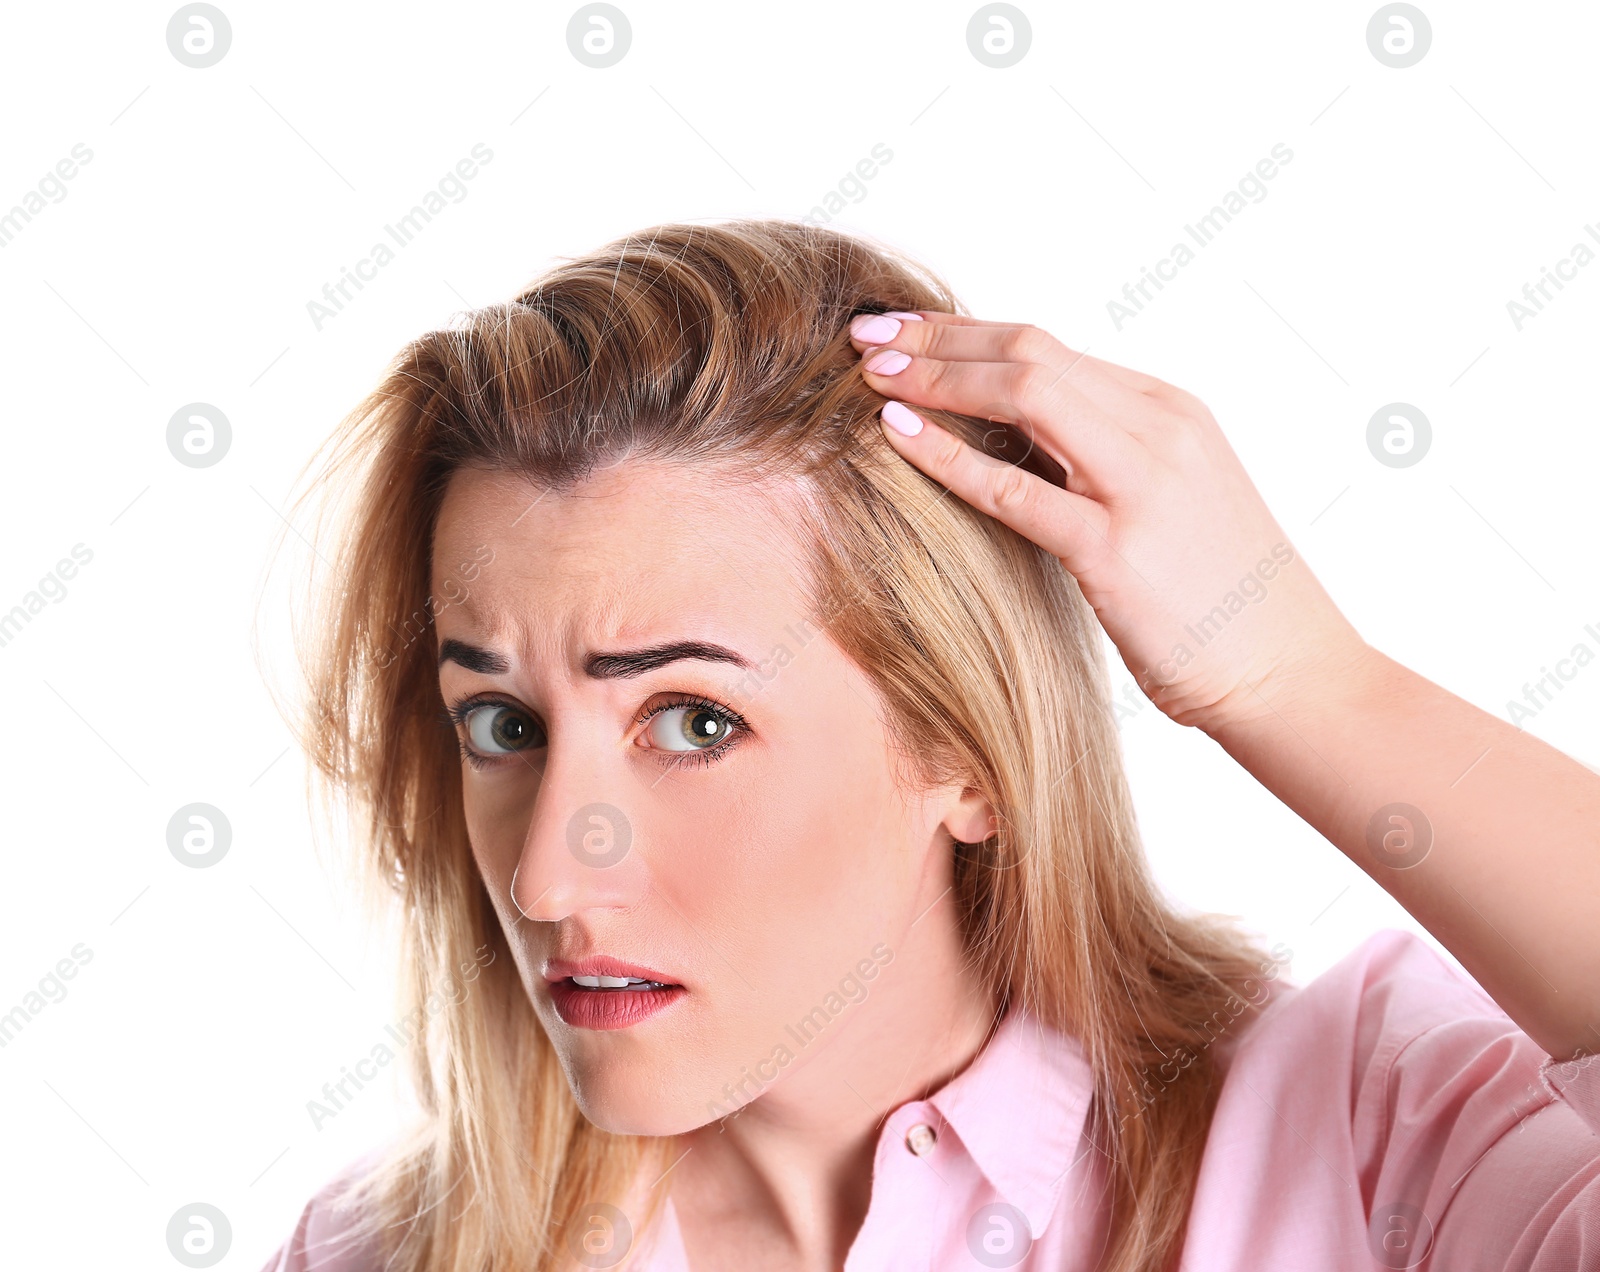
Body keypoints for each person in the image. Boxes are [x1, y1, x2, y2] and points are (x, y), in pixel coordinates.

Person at [259, 219, 1600, 1272]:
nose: (551, 878)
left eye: (692, 721)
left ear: (967, 752)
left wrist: (1311, 685)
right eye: (500, 724)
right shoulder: (382, 1257)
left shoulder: (1365, 1152)